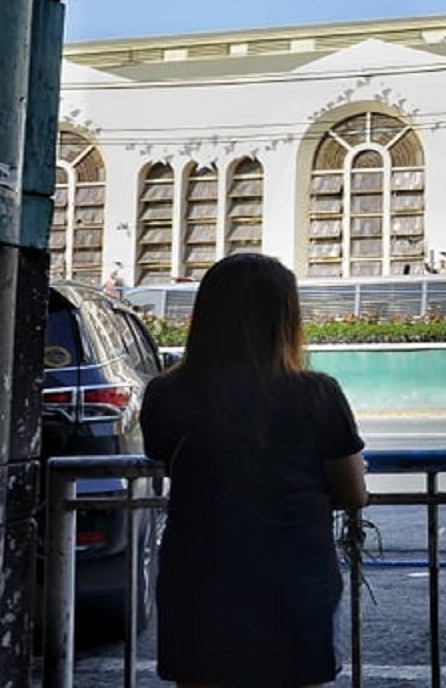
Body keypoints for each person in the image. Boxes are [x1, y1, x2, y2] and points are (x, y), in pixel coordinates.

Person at [140, 252, 368, 687]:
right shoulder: (316, 393)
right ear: (284, 317)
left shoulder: (167, 393)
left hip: (200, 574)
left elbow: (169, 461)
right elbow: (353, 492)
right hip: (292, 577)